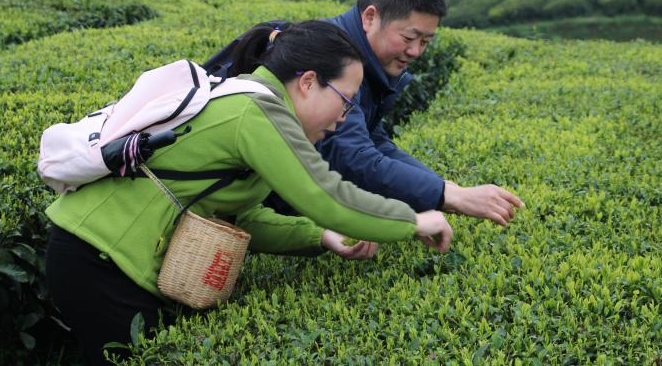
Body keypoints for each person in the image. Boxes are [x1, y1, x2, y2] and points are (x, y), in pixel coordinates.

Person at [44, 20, 453, 365]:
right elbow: (327, 196)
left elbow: (242, 219)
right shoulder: (255, 111)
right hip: (99, 259)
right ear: (309, 82)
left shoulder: (253, 106)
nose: (345, 119)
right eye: (346, 102)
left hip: (96, 259)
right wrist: (413, 220)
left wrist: (320, 237)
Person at [288, 0, 525, 226]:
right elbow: (351, 156)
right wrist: (447, 195)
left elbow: (374, 140)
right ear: (370, 17)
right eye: (409, 37)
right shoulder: (331, 58)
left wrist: (445, 188)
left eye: (425, 42)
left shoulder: (363, 59)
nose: (415, 51)